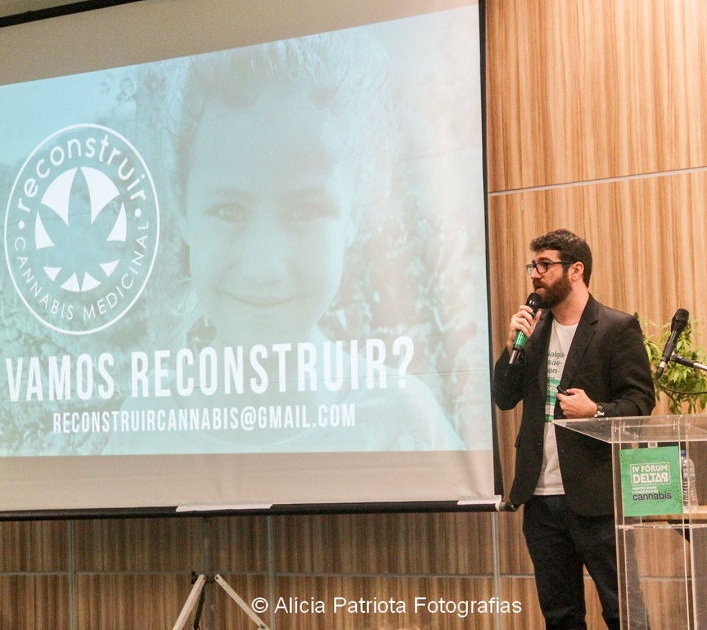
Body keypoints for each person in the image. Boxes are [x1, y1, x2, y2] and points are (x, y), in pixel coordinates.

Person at [102, 33, 464, 455]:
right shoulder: (145, 428)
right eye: (229, 211)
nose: (264, 267)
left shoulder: (403, 421)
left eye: (303, 211)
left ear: (353, 216)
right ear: (183, 211)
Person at [492, 228, 655, 629]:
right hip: (541, 497)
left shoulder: (616, 328)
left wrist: (595, 410)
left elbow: (640, 402)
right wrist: (513, 346)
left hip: (596, 497)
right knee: (560, 615)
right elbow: (504, 396)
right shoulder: (533, 331)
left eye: (545, 264)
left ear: (576, 270)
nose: (535, 273)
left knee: (623, 611)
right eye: (534, 265)